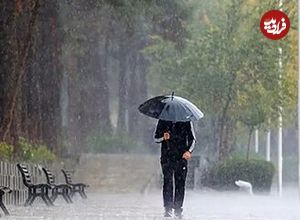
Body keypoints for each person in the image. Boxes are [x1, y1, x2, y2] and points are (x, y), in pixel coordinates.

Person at [154, 119, 196, 218]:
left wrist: (189, 151)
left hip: (181, 157)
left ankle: (178, 209)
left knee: (180, 183)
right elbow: (156, 138)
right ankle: (167, 208)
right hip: (166, 157)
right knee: (167, 181)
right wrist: (163, 137)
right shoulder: (163, 120)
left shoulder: (186, 120)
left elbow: (192, 139)